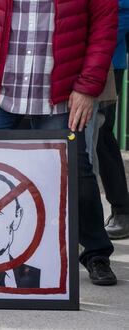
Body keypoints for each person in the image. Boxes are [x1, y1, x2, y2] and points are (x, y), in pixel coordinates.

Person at [0, 0, 118, 286]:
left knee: (77, 174)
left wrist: (88, 86)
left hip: (61, 94)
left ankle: (96, 253)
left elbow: (104, 25)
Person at [103, 1, 129, 239]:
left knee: (101, 137)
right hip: (57, 62)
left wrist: (98, 46)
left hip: (106, 61)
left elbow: (123, 11)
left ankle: (122, 210)